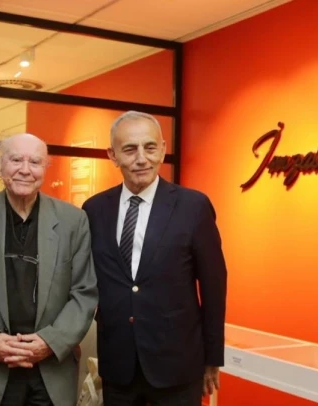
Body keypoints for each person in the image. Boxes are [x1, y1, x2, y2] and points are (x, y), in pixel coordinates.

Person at [0, 133, 98, 406]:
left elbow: (84, 293)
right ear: (0, 166)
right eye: (16, 160)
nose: (25, 169)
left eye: (35, 162)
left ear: (45, 169)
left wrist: (49, 342)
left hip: (51, 372)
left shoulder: (73, 221)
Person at [81, 111, 228, 405]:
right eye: (129, 149)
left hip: (178, 366)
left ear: (162, 149)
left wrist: (213, 356)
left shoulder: (193, 206)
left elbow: (214, 285)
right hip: (118, 366)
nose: (142, 159)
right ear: (112, 155)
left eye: (149, 147)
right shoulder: (94, 210)